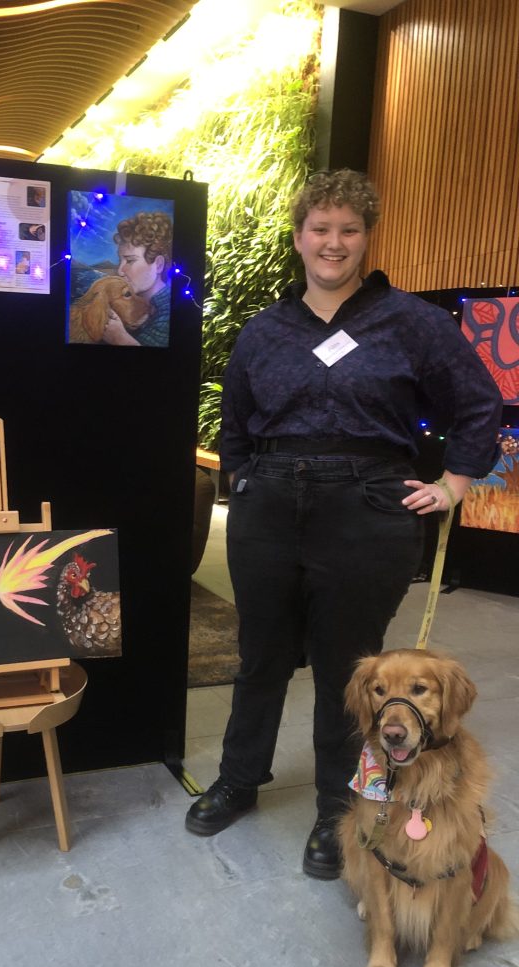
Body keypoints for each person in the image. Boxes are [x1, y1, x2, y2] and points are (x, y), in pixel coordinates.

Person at [184, 169, 503, 879]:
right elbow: (234, 423)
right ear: (299, 238)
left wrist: (454, 482)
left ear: (366, 238)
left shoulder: (411, 321)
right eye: (321, 229)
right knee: (260, 654)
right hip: (269, 506)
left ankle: (339, 805)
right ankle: (240, 779)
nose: (334, 243)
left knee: (348, 669)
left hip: (366, 510)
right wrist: (245, 480)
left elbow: (479, 401)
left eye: (349, 230)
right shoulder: (267, 331)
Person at [102, 211, 172, 347]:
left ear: (158, 265)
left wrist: (120, 339)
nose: (120, 270)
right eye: (120, 260)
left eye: (129, 260)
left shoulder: (168, 314)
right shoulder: (128, 301)